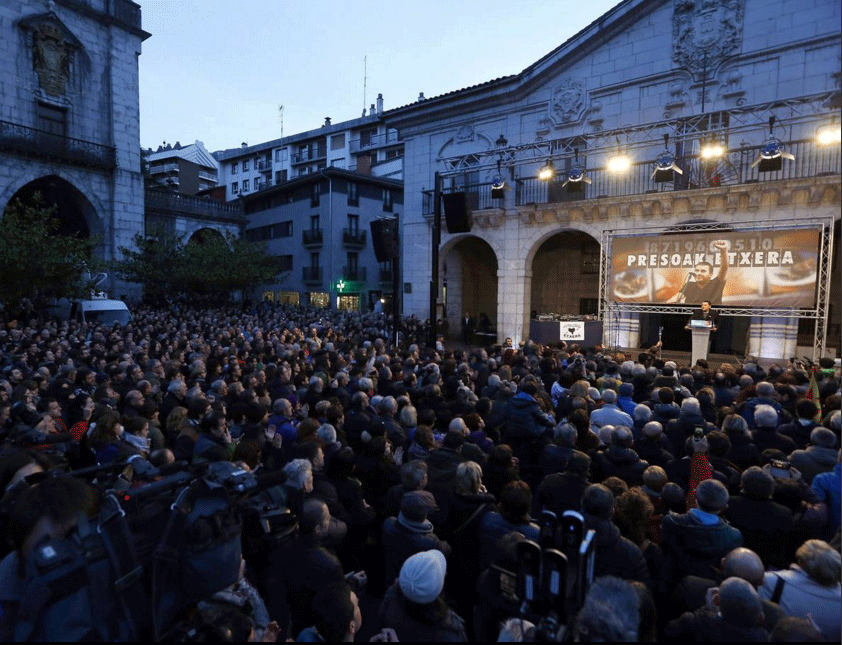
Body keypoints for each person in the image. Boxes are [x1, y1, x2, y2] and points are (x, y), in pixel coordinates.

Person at [668, 240, 730, 305]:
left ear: (710, 274)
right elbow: (677, 296)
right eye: (697, 270)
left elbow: (724, 268)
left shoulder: (716, 283)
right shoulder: (689, 285)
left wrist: (724, 250)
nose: (699, 273)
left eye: (703, 271)